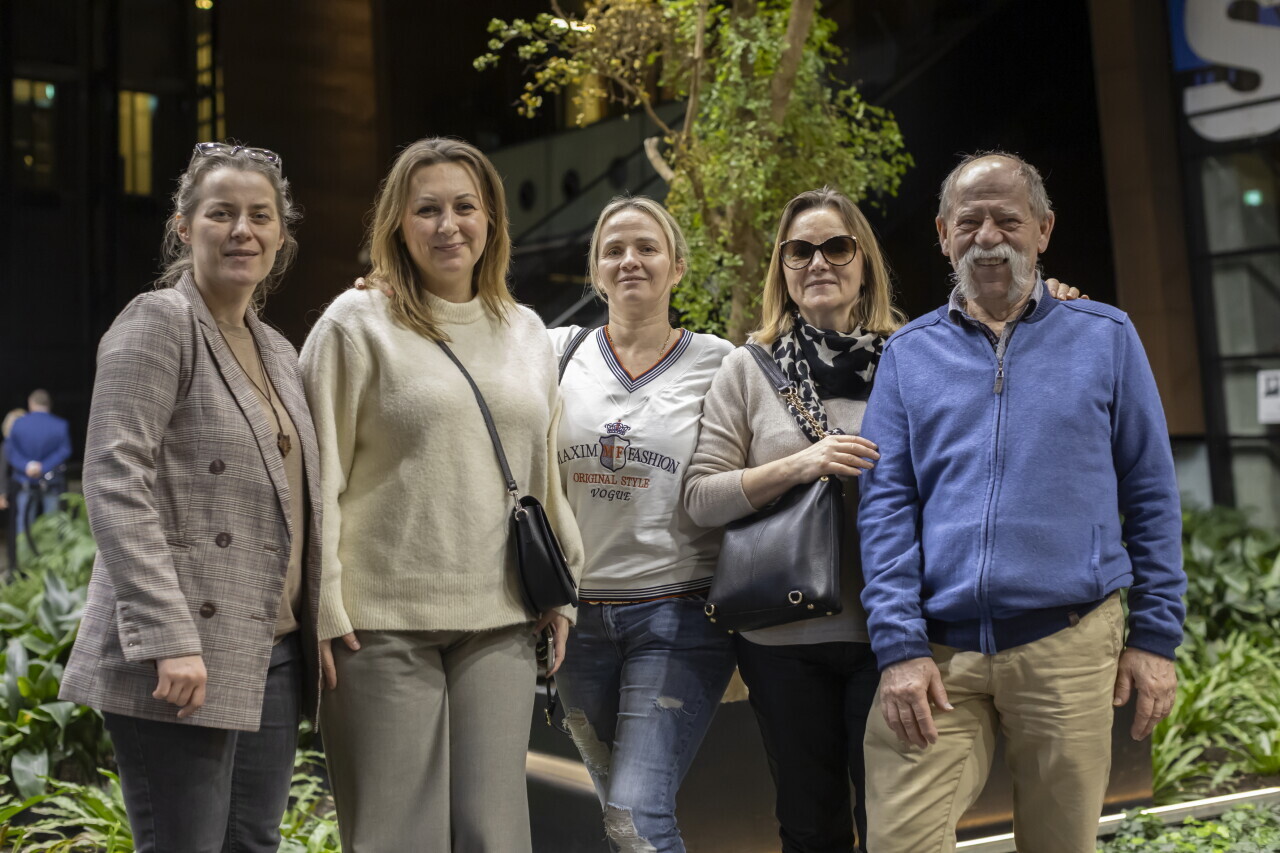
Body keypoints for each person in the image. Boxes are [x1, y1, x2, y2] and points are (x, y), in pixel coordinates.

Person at [857, 151, 1185, 853]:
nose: (987, 236)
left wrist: (1155, 638)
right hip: (937, 653)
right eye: (969, 221)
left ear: (1043, 230)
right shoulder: (908, 354)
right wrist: (899, 645)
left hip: (1069, 641)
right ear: (943, 234)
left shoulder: (1106, 336)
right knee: (899, 840)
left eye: (1007, 219)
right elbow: (885, 508)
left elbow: (1152, 492)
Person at [300, 136, 585, 853]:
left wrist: (564, 589)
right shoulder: (354, 324)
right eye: (427, 209)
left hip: (500, 617)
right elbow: (316, 476)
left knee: (497, 835)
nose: (448, 224)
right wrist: (323, 603)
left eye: (465, 206)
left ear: (491, 219)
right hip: (379, 622)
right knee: (398, 838)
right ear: (398, 223)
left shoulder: (526, 331)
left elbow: (543, 471)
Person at [59, 142, 323, 853]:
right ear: (184, 227)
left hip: (271, 647)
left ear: (281, 235)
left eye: (260, 216)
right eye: (221, 213)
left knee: (253, 843)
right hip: (179, 652)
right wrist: (169, 638)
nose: (242, 230)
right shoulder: (158, 320)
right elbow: (114, 479)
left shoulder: (278, 351)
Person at [686, 187, 898, 853]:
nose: (818, 262)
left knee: (899, 826)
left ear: (863, 259)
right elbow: (701, 497)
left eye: (836, 246)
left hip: (894, 634)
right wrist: (802, 464)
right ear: (781, 266)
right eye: (799, 250)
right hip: (783, 639)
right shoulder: (748, 368)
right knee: (811, 829)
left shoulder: (912, 357)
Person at [550, 196, 736, 852]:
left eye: (647, 248)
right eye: (614, 250)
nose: (630, 260)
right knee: (620, 820)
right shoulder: (554, 353)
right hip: (575, 622)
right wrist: (388, 297)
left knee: (635, 815)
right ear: (595, 271)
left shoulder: (720, 362)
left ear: (677, 266)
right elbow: (466, 343)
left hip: (677, 615)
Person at [6, 390, 73, 535]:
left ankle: (25, 550)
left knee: (24, 524)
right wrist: (44, 466)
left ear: (31, 403)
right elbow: (64, 450)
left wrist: (27, 465)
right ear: (49, 404)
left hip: (25, 479)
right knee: (51, 523)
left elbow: (11, 451)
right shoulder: (60, 425)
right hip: (51, 481)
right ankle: (49, 550)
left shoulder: (18, 423)